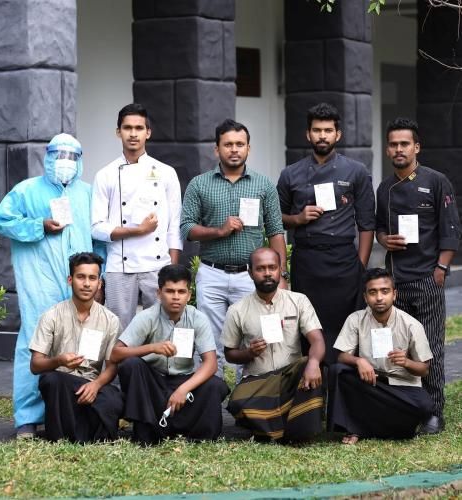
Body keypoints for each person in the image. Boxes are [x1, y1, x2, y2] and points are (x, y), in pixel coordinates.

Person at [0, 134, 95, 439]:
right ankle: (27, 417)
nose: (65, 163)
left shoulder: (88, 194)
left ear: (80, 161)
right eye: (58, 155)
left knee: (81, 343)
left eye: (72, 156)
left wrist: (97, 278)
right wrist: (39, 225)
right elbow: (1, 221)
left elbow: (99, 238)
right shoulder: (26, 190)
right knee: (35, 343)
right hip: (39, 282)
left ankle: (72, 409)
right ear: (47, 157)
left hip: (80, 284)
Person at [180, 119, 287, 377]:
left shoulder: (263, 185)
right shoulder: (199, 184)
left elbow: (275, 232)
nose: (234, 149)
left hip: (249, 277)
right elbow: (186, 229)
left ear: (249, 148)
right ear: (217, 149)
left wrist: (281, 276)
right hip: (212, 274)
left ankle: (248, 402)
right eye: (228, 144)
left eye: (240, 144)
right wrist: (219, 230)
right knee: (211, 342)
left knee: (252, 341)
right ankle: (210, 404)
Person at [376, 117, 461, 434]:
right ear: (387, 149)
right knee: (398, 349)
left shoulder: (437, 182)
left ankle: (434, 412)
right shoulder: (384, 188)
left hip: (427, 278)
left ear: (416, 147)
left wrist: (440, 269)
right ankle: (404, 406)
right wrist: (384, 240)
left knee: (431, 348)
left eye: (404, 144)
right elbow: (379, 229)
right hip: (395, 281)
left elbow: (451, 231)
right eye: (394, 144)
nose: (399, 149)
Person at [277, 103, 375, 365]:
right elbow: (275, 220)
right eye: (317, 130)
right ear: (308, 134)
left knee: (346, 329)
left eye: (328, 130)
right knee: (309, 327)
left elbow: (367, 224)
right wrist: (297, 218)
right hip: (306, 260)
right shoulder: (290, 174)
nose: (322, 135)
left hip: (344, 260)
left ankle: (344, 391)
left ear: (338, 135)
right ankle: (313, 393)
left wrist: (361, 265)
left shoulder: (356, 171)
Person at [110, 264, 229, 445]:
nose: (175, 297)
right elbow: (116, 354)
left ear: (189, 295)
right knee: (131, 365)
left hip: (183, 379)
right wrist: (151, 348)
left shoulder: (198, 318)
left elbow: (211, 363)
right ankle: (145, 432)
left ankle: (200, 436)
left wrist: (184, 389)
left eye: (181, 292)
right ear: (159, 293)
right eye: (170, 291)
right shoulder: (147, 317)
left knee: (216, 385)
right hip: (152, 382)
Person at [91, 103, 183, 330]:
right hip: (118, 267)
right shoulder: (105, 175)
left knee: (162, 329)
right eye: (127, 128)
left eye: (139, 128)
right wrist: (138, 230)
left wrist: (172, 270)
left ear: (148, 132)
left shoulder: (166, 173)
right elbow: (96, 227)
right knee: (118, 331)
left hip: (157, 265)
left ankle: (160, 368)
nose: (133, 134)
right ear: (118, 132)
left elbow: (174, 227)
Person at [222, 248, 325, 443]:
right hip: (258, 381)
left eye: (272, 267)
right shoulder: (237, 310)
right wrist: (248, 353)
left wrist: (313, 363)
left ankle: (280, 428)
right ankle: (287, 423)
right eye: (261, 269)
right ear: (250, 272)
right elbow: (229, 354)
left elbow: (317, 340)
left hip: (290, 377)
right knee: (237, 402)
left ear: (280, 270)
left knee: (308, 364)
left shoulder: (298, 301)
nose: (267, 273)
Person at [328, 268, 434, 444]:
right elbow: (340, 356)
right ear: (365, 297)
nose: (379, 298)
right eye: (373, 292)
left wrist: (406, 362)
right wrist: (359, 360)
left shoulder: (411, 324)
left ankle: (370, 426)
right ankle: (355, 428)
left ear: (394, 294)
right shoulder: (356, 319)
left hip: (401, 388)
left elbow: (424, 370)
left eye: (385, 291)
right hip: (370, 384)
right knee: (337, 371)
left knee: (424, 406)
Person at [29, 252, 122, 443]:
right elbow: (35, 365)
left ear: (99, 283)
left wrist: (95, 385)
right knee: (51, 380)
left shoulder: (110, 320)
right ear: (70, 280)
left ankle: (81, 435)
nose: (86, 284)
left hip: (90, 384)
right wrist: (58, 360)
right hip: (62, 383)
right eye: (81, 277)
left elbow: (111, 367)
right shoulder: (52, 315)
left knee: (115, 400)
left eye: (92, 278)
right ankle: (64, 437)